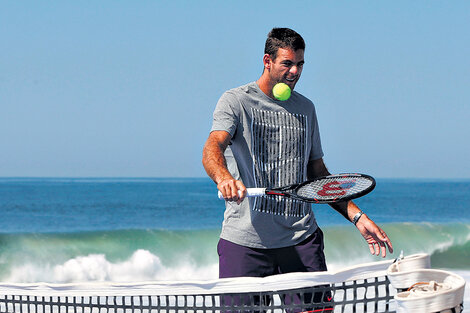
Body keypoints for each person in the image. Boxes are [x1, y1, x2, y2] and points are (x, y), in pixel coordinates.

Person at [202, 27, 393, 284]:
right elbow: (213, 146)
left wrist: (357, 216)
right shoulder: (236, 101)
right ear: (267, 61)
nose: (295, 72)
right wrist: (224, 178)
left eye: (300, 64)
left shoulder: (306, 108)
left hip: (302, 241)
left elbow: (318, 177)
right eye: (287, 63)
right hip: (245, 243)